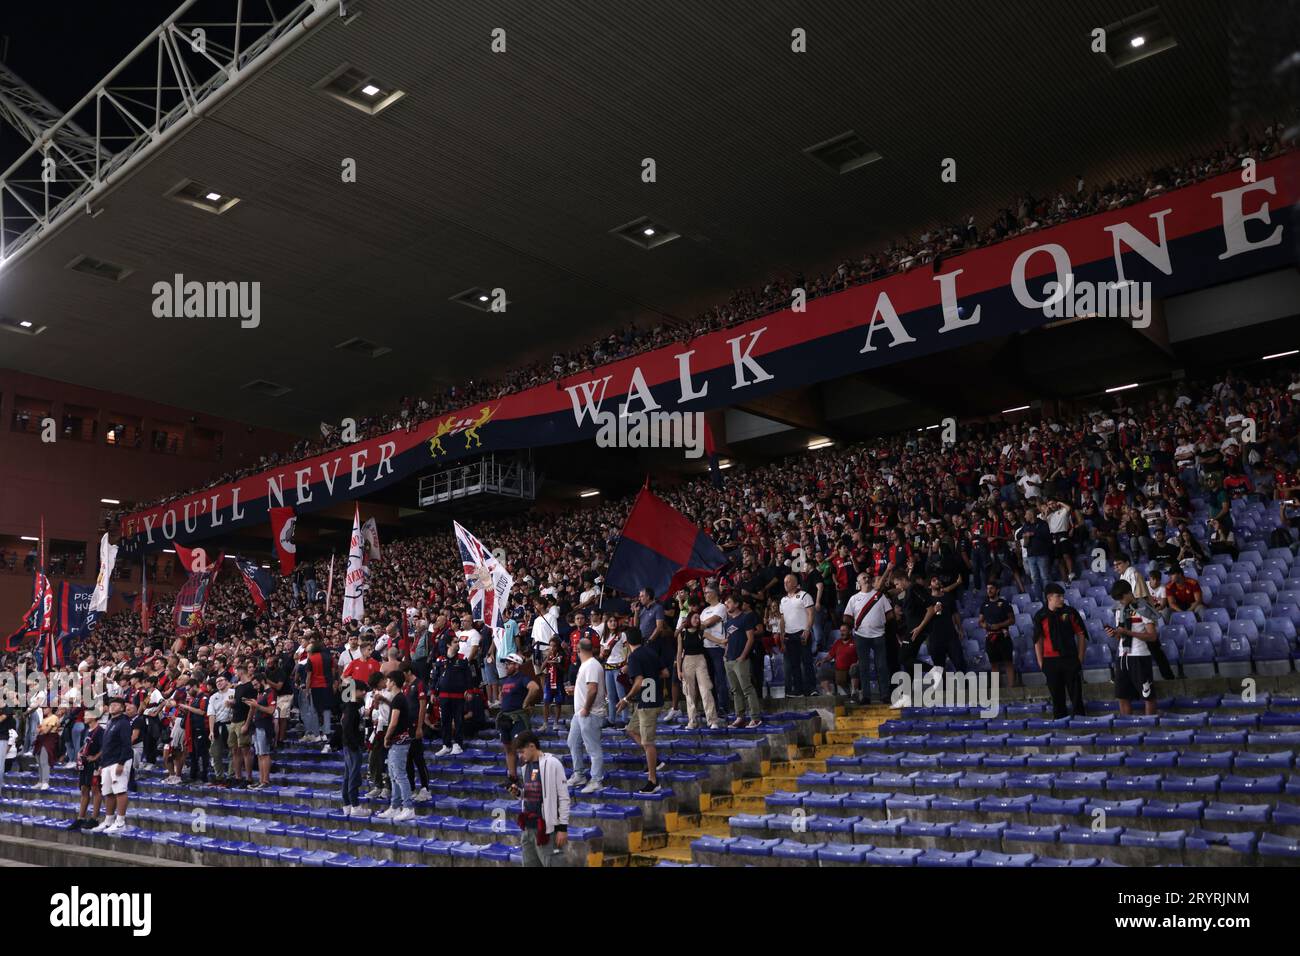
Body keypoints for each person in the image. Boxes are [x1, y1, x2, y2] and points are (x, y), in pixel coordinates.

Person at [614, 627, 665, 793]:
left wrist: (626, 699)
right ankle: (655, 761)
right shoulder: (649, 652)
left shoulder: (634, 657)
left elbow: (639, 682)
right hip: (650, 699)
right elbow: (664, 672)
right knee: (632, 730)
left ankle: (653, 780)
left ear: (627, 642)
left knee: (648, 742)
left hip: (648, 702)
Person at [513, 730, 569, 867]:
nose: (521, 755)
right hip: (528, 829)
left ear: (532, 746)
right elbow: (530, 793)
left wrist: (562, 828)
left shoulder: (553, 763)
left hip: (547, 828)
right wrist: (518, 793)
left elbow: (564, 797)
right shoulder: (525, 766)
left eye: (522, 751)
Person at [1031, 583, 1087, 719]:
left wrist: (1079, 658)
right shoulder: (1040, 615)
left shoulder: (1071, 612)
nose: (1062, 599)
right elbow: (1037, 640)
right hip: (1050, 662)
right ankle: (1060, 726)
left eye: (1062, 596)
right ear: (1049, 598)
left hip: (1070, 659)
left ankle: (1082, 723)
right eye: (1058, 596)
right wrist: (1041, 662)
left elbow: (1081, 634)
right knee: (1057, 697)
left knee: (1076, 697)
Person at [1108, 579, 1159, 717]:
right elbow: (1120, 635)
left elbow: (1152, 636)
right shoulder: (1119, 609)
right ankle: (1127, 728)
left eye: (1121, 598)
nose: (1121, 601)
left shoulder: (1144, 608)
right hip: (1123, 656)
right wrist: (1115, 634)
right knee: (1122, 695)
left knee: (1147, 694)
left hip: (1140, 655)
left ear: (1129, 593)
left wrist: (1128, 633)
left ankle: (1150, 727)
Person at [842, 571, 892, 705]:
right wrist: (856, 625)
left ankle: (885, 695)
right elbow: (846, 616)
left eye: (868, 577)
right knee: (863, 667)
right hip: (861, 636)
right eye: (863, 577)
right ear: (858, 582)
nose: (867, 578)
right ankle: (866, 696)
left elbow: (890, 614)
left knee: (881, 666)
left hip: (879, 635)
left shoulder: (880, 596)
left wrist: (880, 624)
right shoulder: (853, 598)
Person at [566, 637, 605, 794]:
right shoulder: (588, 665)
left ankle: (596, 780)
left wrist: (586, 709)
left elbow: (593, 689)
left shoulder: (591, 665)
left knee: (593, 748)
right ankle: (579, 774)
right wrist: (576, 688)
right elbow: (588, 687)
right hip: (580, 713)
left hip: (589, 713)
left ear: (577, 648)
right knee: (572, 741)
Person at [497, 653, 539, 791]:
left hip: (517, 719)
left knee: (522, 749)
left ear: (516, 665)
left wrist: (526, 702)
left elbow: (534, 687)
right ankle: (513, 778)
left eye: (509, 663)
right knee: (508, 749)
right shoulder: (507, 680)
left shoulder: (522, 678)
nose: (506, 666)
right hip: (506, 718)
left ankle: (530, 780)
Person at [720, 593, 763, 729]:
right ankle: (740, 717)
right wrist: (725, 655)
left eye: (729, 601)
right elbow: (728, 639)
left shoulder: (745, 618)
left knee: (747, 688)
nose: (726, 604)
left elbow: (750, 638)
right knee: (735, 690)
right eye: (726, 602)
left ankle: (755, 718)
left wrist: (743, 656)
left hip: (740, 659)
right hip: (729, 660)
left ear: (737, 604)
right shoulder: (727, 622)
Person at [378, 670, 415, 821]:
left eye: (387, 681)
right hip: (398, 742)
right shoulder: (397, 699)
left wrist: (386, 737)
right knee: (394, 775)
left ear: (393, 682)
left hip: (399, 741)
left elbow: (393, 723)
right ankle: (395, 806)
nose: (386, 683)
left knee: (399, 775)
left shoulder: (398, 699)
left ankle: (408, 807)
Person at [91, 696, 132, 833]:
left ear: (122, 708)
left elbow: (126, 744)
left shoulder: (124, 722)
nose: (112, 707)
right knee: (108, 792)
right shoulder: (110, 721)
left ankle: (120, 822)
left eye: (116, 705)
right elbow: (106, 745)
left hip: (119, 760)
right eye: (111, 705)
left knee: (120, 790)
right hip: (107, 761)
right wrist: (102, 764)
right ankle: (109, 820)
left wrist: (121, 763)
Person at [676, 609, 721, 729]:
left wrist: (724, 641)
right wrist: (678, 670)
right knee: (689, 692)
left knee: (706, 689)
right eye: (695, 617)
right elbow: (679, 653)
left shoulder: (701, 632)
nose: (697, 620)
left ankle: (712, 720)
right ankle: (692, 721)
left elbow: (716, 640)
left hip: (700, 660)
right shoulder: (682, 634)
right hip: (687, 661)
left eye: (698, 618)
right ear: (689, 619)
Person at [432, 634, 472, 756]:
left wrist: (469, 690)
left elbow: (468, 676)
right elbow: (435, 678)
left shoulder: (462, 658)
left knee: (458, 720)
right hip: (444, 696)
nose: (458, 644)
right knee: (445, 721)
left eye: (458, 642)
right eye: (455, 642)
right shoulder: (440, 660)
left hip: (458, 696)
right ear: (449, 644)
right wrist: (433, 692)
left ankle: (458, 744)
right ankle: (446, 745)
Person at [779, 573, 816, 697]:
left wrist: (807, 629)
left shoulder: (804, 595)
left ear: (795, 583)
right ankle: (798, 690)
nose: (785, 584)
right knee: (794, 664)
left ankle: (811, 688)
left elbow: (811, 613)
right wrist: (782, 635)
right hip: (789, 635)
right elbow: (782, 619)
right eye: (784, 582)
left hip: (802, 632)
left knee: (807, 662)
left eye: (788, 581)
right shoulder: (783, 600)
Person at [977, 581, 1016, 690]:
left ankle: (1012, 688)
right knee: (994, 664)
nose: (989, 591)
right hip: (990, 638)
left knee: (1008, 662)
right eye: (987, 588)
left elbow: (1012, 620)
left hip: (1003, 636)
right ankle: (996, 689)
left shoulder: (1004, 603)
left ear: (997, 590)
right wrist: (984, 625)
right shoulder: (984, 605)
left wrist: (999, 625)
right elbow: (980, 621)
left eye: (991, 588)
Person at [71, 711, 104, 830]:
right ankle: (81, 818)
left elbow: (104, 747)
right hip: (85, 764)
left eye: (87, 715)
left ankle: (94, 818)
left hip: (94, 764)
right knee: (84, 789)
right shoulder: (86, 730)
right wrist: (80, 753)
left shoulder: (100, 731)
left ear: (94, 716)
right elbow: (85, 745)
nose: (84, 717)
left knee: (95, 790)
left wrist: (96, 758)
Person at [208, 675, 233, 786]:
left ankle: (231, 776)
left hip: (230, 724)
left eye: (221, 680)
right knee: (215, 753)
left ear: (227, 681)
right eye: (217, 681)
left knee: (233, 752)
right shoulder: (213, 697)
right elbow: (211, 714)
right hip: (218, 725)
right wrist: (211, 731)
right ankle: (219, 776)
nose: (218, 683)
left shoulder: (234, 692)